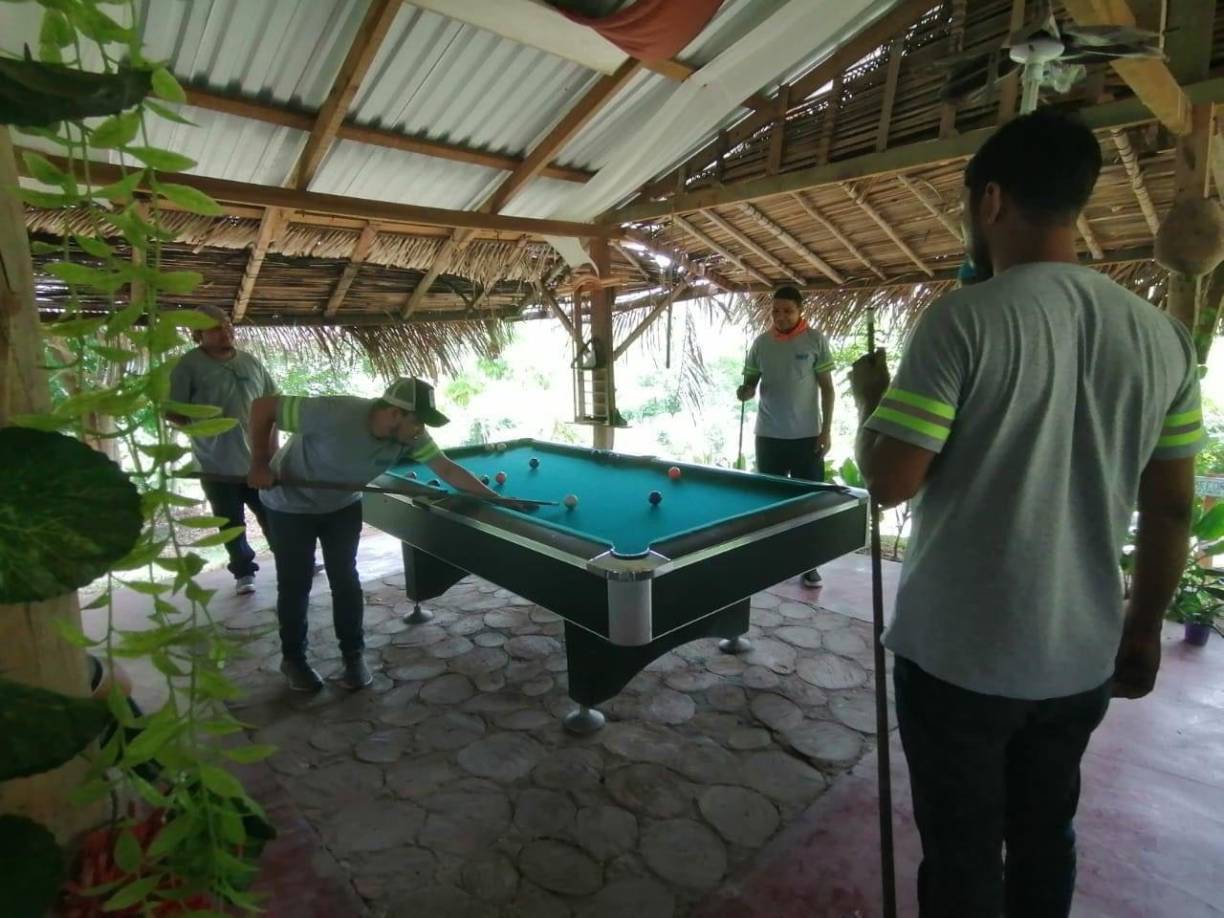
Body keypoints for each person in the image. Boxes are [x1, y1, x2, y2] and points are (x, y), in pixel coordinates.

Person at [849, 109, 1201, 917]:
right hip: (1081, 653)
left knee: (964, 853)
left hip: (959, 659)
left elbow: (892, 480)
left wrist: (872, 399)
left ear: (991, 200)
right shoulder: (1162, 338)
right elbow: (1171, 504)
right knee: (1047, 835)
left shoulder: (963, 320)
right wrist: (1142, 624)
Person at [246, 377, 505, 692]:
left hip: (342, 506)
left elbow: (447, 469)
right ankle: (294, 660)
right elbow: (263, 407)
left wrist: (494, 500)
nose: (421, 430)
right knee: (295, 583)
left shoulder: (410, 437)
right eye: (418, 421)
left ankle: (353, 656)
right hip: (288, 506)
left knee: (345, 579)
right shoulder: (334, 411)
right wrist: (260, 461)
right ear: (395, 413)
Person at [167, 304, 277, 595]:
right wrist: (202, 428)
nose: (225, 331)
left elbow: (272, 404)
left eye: (228, 325)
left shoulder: (251, 362)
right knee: (231, 523)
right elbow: (172, 410)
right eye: (216, 328)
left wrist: (270, 456)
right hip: (215, 463)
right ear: (198, 333)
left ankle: (291, 559)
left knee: (274, 514)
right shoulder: (188, 365)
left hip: (258, 460)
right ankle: (244, 573)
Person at [737, 285, 835, 586]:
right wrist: (745, 391)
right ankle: (770, 559)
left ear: (800, 311)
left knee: (808, 503)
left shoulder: (815, 340)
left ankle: (809, 563)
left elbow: (828, 389)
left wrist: (826, 430)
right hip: (768, 435)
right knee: (768, 502)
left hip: (807, 436)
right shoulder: (761, 343)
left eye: (787, 311)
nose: (780, 316)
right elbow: (750, 382)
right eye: (775, 311)